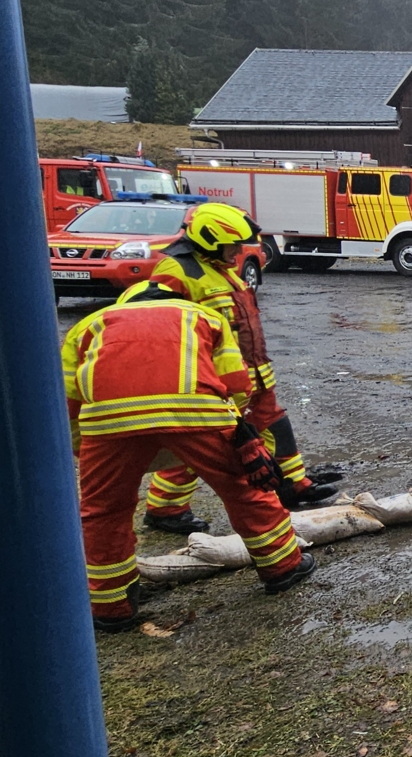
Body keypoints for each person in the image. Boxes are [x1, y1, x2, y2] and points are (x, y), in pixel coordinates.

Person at [63, 277, 314, 632]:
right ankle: (283, 568)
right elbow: (236, 380)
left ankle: (110, 606)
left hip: (109, 421)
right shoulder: (202, 316)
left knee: (103, 510)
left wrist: (83, 447)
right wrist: (237, 428)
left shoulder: (89, 326)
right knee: (245, 488)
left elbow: (68, 396)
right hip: (197, 413)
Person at [143, 203, 339, 533]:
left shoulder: (221, 268)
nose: (237, 252)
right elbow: (164, 329)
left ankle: (293, 485)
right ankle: (166, 508)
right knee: (209, 443)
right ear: (209, 240)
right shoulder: (177, 272)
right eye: (231, 245)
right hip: (214, 378)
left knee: (277, 427)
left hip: (253, 372)